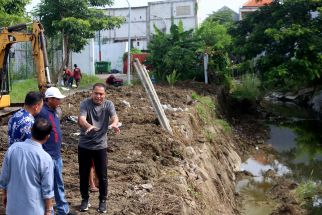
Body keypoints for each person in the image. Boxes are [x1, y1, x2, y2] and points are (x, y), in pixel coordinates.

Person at [78, 83, 120, 213]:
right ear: (92, 93)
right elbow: (81, 118)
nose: (98, 96)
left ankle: (103, 201)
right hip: (84, 145)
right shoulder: (85, 103)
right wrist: (87, 125)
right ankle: (85, 199)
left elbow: (115, 117)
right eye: (96, 93)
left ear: (105, 95)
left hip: (100, 146)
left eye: (101, 94)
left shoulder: (108, 105)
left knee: (102, 175)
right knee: (84, 174)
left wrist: (114, 124)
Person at [0, 118, 54, 215]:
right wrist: (48, 210)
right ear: (47, 137)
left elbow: (4, 176)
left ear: (31, 130)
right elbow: (47, 189)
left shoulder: (13, 148)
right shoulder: (45, 158)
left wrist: (4, 193)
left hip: (13, 207)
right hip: (34, 209)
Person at [37, 87, 75, 215]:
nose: (60, 101)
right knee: (47, 185)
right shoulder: (42, 113)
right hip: (48, 155)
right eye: (57, 99)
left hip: (56, 154)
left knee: (59, 183)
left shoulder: (53, 112)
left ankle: (62, 210)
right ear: (50, 99)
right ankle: (49, 211)